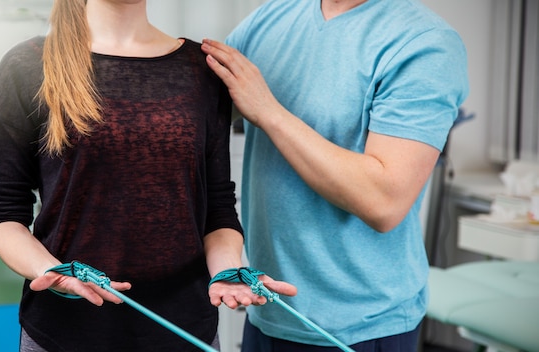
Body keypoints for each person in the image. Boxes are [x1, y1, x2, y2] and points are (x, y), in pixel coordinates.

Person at [0, 1, 295, 351]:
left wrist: (228, 270)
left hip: (185, 330)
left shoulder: (201, 69)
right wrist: (51, 272)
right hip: (65, 332)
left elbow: (217, 209)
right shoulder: (27, 65)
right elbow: (4, 213)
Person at [201, 0, 470, 351]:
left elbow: (383, 201)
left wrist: (268, 111)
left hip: (361, 327)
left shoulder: (424, 42)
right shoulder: (272, 17)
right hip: (268, 310)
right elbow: (197, 105)